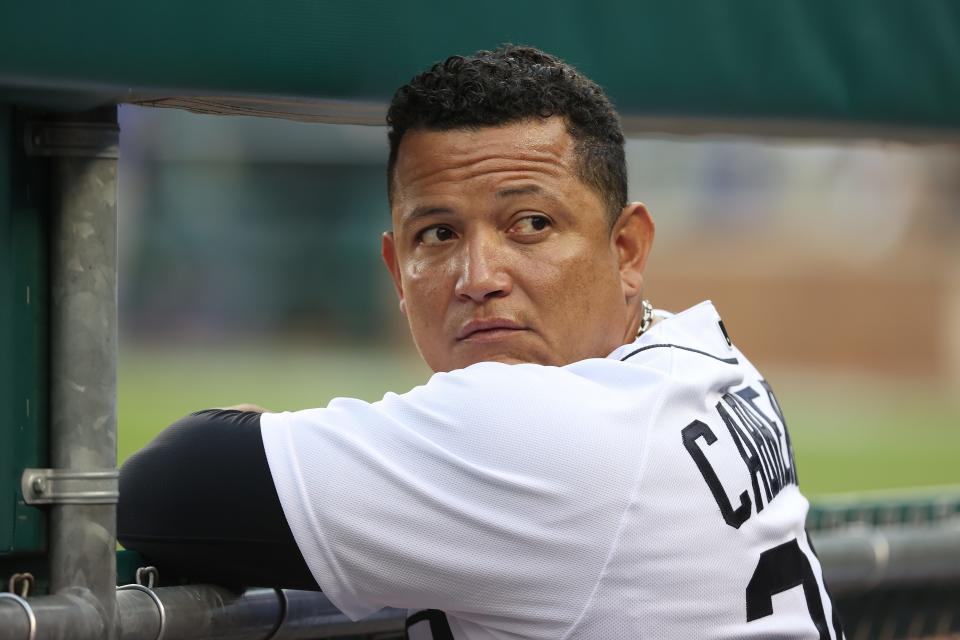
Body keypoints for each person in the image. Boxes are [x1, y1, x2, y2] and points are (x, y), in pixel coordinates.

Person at [119, 45, 844, 639]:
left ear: (626, 249)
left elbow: (165, 491)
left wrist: (247, 430)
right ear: (396, 269)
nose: (477, 277)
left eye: (530, 224)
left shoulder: (555, 433)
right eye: (437, 235)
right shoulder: (698, 358)